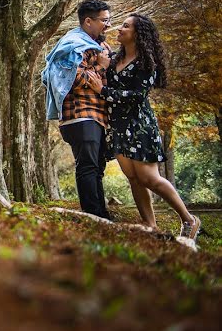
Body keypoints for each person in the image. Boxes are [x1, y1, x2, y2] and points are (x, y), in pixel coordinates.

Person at [86, 13, 201, 240]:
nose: (119, 28)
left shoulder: (147, 63)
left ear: (137, 34)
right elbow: (111, 80)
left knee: (150, 179)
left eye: (125, 26)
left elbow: (137, 96)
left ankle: (189, 219)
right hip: (117, 125)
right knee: (134, 179)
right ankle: (150, 225)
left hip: (139, 126)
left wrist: (103, 91)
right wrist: (103, 67)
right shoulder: (116, 58)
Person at [42, 0, 113, 219]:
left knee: (97, 167)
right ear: (88, 21)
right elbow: (69, 80)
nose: (108, 25)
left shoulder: (99, 46)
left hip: (98, 116)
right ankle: (93, 215)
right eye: (104, 20)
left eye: (109, 20)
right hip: (79, 116)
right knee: (88, 166)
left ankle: (102, 213)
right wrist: (100, 66)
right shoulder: (72, 45)